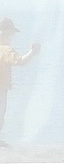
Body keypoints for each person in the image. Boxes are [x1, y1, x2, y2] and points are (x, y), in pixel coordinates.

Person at [0, 16, 40, 145]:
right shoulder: (5, 49)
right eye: (11, 34)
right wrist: (33, 52)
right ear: (4, 33)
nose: (12, 37)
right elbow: (20, 61)